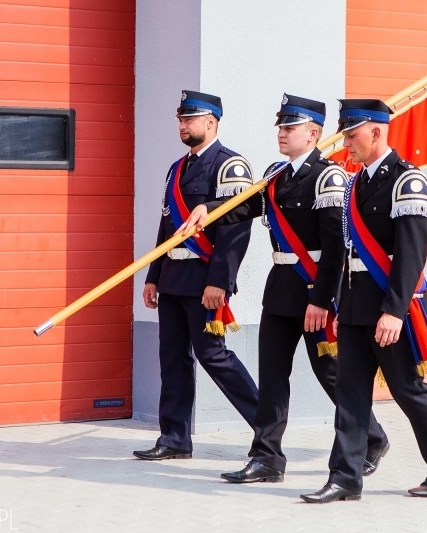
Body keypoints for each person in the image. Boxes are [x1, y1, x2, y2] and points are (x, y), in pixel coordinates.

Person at [178, 94, 389, 483]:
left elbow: (335, 248)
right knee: (273, 377)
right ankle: (267, 458)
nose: (282, 133)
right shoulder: (277, 174)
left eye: (290, 127)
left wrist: (323, 300)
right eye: (281, 127)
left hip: (313, 291)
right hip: (279, 291)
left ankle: (372, 438)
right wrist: (210, 207)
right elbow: (246, 206)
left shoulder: (329, 178)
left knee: (332, 374)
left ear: (313, 134)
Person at [300, 99, 427, 503]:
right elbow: (347, 253)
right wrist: (339, 307)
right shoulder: (355, 184)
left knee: (408, 389)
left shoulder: (407, 181)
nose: (346, 144)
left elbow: (411, 255)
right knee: (351, 392)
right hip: (356, 306)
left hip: (394, 308)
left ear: (376, 132)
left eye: (351, 135)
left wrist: (393, 311)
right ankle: (345, 478)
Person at [133, 90, 259, 461]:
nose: (183, 125)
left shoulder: (229, 166)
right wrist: (153, 275)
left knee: (213, 356)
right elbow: (167, 225)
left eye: (190, 119)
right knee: (172, 358)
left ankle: (267, 426)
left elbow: (237, 232)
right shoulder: (177, 168)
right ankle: (174, 438)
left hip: (204, 279)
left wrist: (220, 281)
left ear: (211, 122)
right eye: (180, 120)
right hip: (173, 275)